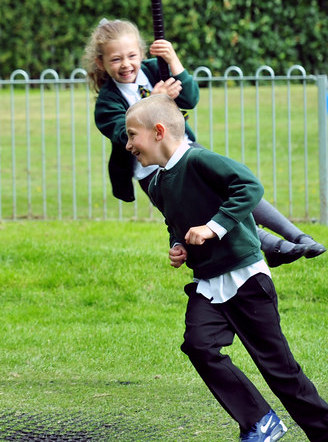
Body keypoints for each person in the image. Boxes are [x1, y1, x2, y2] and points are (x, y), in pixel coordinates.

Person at [125, 94, 328, 442]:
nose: (127, 144)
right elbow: (175, 222)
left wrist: (213, 227)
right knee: (199, 346)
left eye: (132, 135)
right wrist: (178, 246)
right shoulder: (157, 184)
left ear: (159, 131)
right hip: (208, 285)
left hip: (246, 280)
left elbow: (249, 187)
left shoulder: (200, 161)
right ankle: (259, 420)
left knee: (280, 372)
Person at [82, 18, 324, 267]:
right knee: (208, 209)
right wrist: (154, 103)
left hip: (187, 152)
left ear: (141, 54)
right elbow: (124, 135)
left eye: (131, 55)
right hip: (153, 171)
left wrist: (173, 61)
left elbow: (190, 98)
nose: (126, 64)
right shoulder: (107, 103)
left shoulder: (155, 70)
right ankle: (273, 247)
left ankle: (298, 236)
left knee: (235, 187)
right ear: (101, 63)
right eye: (115, 59)